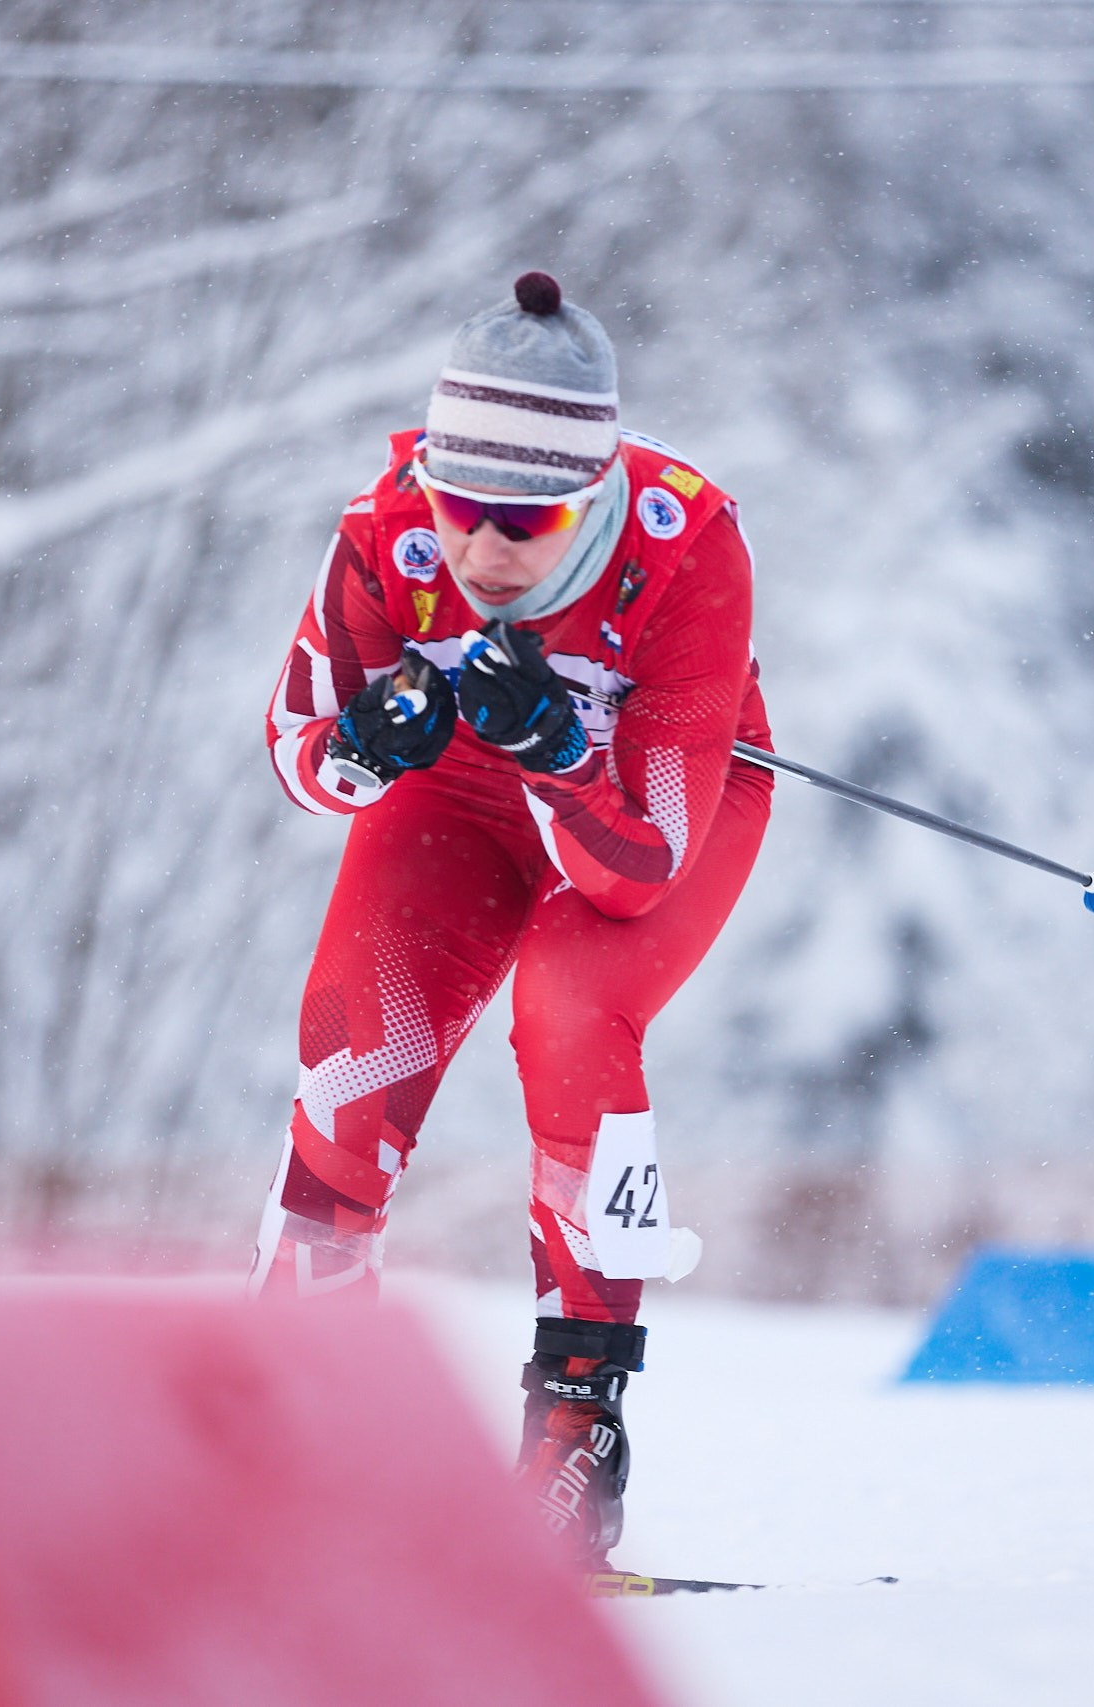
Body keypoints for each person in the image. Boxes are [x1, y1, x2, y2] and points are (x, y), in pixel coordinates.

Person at [254, 271, 772, 1567]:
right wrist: (371, 747)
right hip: (464, 793)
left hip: (660, 798)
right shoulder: (387, 533)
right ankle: (300, 1429)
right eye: (461, 507)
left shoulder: (684, 547)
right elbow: (295, 746)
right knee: (355, 1053)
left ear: (590, 502)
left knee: (570, 1009)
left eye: (528, 520)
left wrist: (556, 749)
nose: (483, 552)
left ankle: (576, 1435)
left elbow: (640, 866)